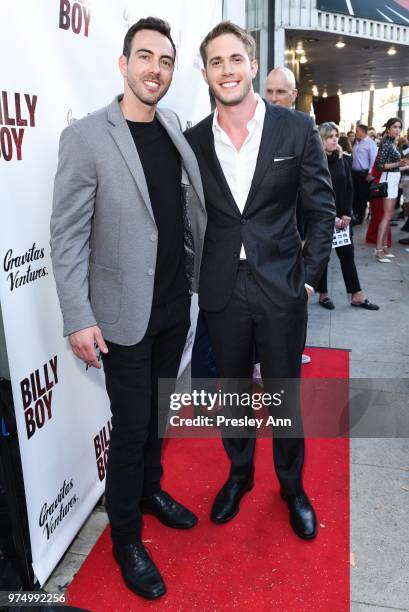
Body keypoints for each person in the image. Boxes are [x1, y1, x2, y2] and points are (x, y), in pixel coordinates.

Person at [50, 17, 206, 600]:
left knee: (158, 418)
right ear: (123, 63)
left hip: (171, 307)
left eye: (165, 61)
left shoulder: (171, 126)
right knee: (132, 427)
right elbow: (65, 237)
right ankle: (126, 539)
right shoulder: (88, 137)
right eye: (145, 57)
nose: (155, 70)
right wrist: (77, 316)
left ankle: (150, 491)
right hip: (120, 318)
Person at [185, 22, 335, 539]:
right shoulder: (192, 142)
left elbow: (321, 209)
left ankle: (292, 487)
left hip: (281, 285)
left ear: (252, 64)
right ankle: (240, 473)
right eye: (215, 62)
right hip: (223, 288)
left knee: (283, 393)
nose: (226, 70)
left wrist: (310, 280)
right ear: (204, 72)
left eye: (235, 59)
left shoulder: (296, 129)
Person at [265, 66, 311, 365]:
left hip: (294, 244)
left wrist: (310, 273)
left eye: (281, 92)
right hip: (261, 249)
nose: (274, 98)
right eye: (268, 91)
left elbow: (319, 200)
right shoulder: (252, 129)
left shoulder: (304, 128)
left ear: (293, 95)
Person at [316, 123, 379, 311]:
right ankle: (323, 294)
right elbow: (316, 194)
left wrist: (347, 214)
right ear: (321, 139)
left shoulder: (344, 159)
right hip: (324, 219)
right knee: (322, 258)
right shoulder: (316, 162)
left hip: (343, 219)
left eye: (336, 135)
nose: (335, 139)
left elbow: (349, 189)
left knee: (347, 256)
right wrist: (331, 216)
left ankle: (357, 295)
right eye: (329, 136)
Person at [374, 117, 409, 261]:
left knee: (388, 216)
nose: (397, 130)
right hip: (388, 180)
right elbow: (380, 166)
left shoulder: (392, 143)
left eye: (399, 127)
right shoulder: (386, 143)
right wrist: (399, 163)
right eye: (395, 127)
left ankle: (384, 247)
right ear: (388, 128)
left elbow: (395, 166)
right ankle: (378, 250)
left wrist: (404, 166)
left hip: (393, 179)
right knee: (387, 216)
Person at [351, 124, 378, 225]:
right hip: (354, 173)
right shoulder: (356, 142)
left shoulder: (370, 143)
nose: (355, 132)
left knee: (362, 196)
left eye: (357, 131)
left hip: (363, 174)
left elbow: (373, 159)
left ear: (362, 131)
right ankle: (355, 215)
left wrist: (371, 173)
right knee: (355, 196)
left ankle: (360, 217)